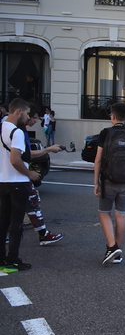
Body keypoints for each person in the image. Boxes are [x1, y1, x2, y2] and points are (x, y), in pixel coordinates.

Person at [94, 102, 125, 265]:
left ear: (112, 116)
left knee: (104, 212)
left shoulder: (105, 133)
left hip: (109, 180)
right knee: (121, 214)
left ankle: (112, 246)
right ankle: (118, 252)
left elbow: (99, 159)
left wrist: (96, 183)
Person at [0, 98, 41, 271]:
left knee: (3, 223)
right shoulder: (16, 132)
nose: (27, 117)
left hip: (2, 181)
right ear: (18, 111)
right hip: (17, 182)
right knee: (16, 225)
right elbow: (16, 159)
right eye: (26, 113)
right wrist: (30, 174)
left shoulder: (1, 127)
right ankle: (13, 260)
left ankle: (2, 259)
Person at [22, 108, 64, 245]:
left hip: (16, 176)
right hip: (15, 177)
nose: (35, 120)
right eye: (32, 117)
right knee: (24, 204)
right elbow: (19, 156)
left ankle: (43, 234)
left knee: (30, 201)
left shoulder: (17, 129)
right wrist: (29, 173)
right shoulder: (17, 131)